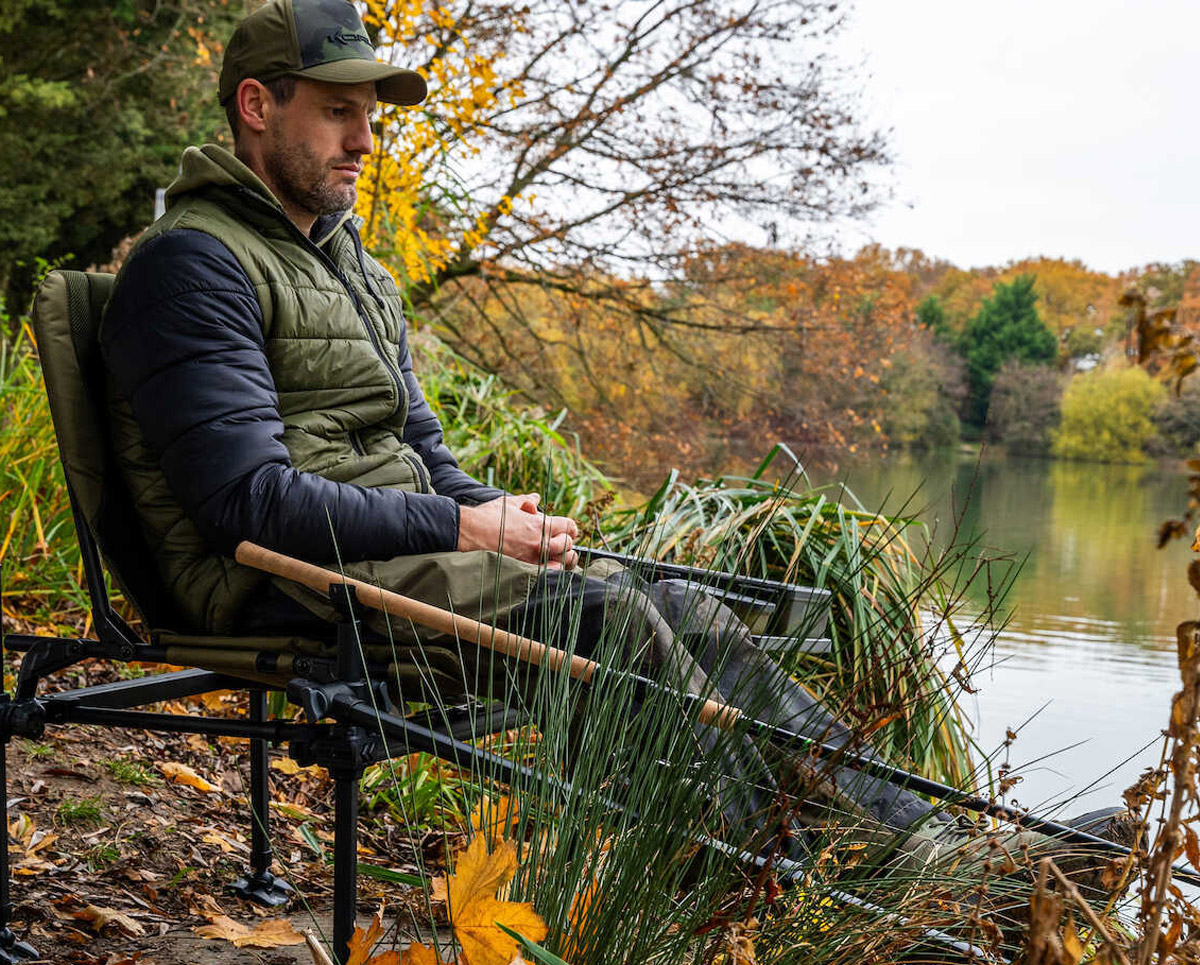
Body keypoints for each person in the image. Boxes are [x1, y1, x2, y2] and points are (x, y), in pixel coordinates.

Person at [99, 0, 1133, 900]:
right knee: (618, 620)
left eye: (370, 116)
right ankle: (818, 894)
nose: (364, 139)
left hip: (392, 556)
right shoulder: (196, 266)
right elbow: (246, 501)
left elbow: (421, 448)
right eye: (338, 110)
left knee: (687, 607)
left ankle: (936, 857)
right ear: (256, 106)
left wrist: (503, 521)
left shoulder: (347, 263)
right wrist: (461, 524)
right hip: (290, 585)